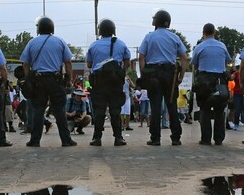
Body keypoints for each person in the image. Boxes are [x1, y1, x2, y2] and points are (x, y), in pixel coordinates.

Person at [19, 16, 77, 147]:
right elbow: (68, 62)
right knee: (60, 111)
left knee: (38, 111)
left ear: (39, 29)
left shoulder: (32, 43)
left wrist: (29, 79)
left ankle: (35, 140)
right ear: (52, 28)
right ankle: (66, 140)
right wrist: (69, 79)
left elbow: (25, 64)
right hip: (56, 80)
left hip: (38, 81)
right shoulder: (60, 42)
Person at [139, 9, 189, 146]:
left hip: (153, 74)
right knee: (172, 106)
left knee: (155, 107)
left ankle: (155, 138)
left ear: (155, 21)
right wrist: (180, 76)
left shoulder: (149, 37)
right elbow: (185, 58)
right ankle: (176, 138)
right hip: (170, 75)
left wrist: (144, 75)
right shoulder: (174, 37)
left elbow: (141, 57)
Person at [85, 19, 131, 146]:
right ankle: (118, 138)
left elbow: (89, 64)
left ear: (100, 31)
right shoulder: (121, 44)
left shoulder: (94, 45)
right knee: (115, 110)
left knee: (99, 110)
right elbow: (127, 62)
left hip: (99, 81)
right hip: (115, 81)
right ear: (113, 30)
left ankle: (97, 138)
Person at [191, 23, 232, 145]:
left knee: (204, 109)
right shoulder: (222, 46)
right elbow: (227, 61)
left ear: (203, 33)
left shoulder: (199, 47)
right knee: (220, 110)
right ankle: (219, 139)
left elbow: (195, 65)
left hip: (204, 81)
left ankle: (206, 138)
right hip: (220, 81)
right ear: (214, 32)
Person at [230, 65, 244, 130]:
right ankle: (236, 124)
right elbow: (231, 78)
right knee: (237, 110)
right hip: (237, 94)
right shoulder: (236, 73)